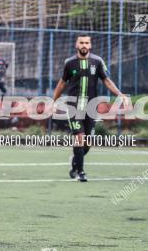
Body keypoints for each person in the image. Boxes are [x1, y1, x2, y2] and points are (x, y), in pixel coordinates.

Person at [52, 34, 127, 182]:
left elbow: (106, 80)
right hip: (73, 106)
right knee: (79, 138)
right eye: (81, 43)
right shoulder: (69, 63)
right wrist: (53, 101)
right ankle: (81, 172)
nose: (84, 45)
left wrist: (119, 93)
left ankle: (75, 163)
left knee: (87, 143)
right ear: (76, 45)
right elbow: (62, 83)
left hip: (91, 107)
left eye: (86, 43)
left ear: (90, 45)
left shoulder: (97, 62)